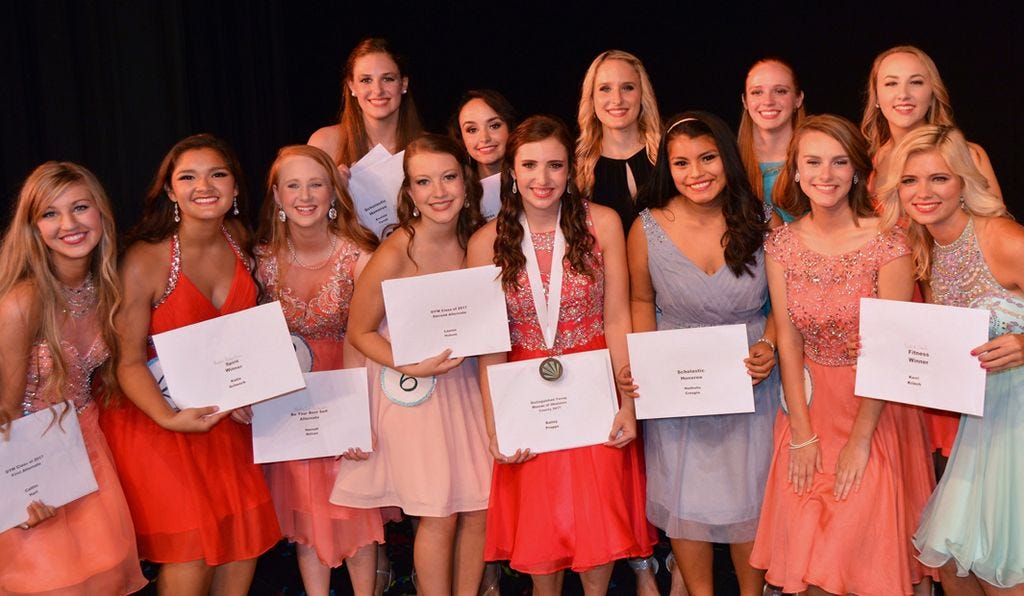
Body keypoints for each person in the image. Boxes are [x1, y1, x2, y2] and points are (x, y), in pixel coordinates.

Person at [469, 115, 655, 595]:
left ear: (571, 170)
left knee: (599, 523)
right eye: (530, 165)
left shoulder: (605, 223)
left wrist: (630, 403)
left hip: (595, 384)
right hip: (524, 391)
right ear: (511, 171)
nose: (542, 178)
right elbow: (489, 345)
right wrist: (496, 425)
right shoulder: (484, 242)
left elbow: (617, 318)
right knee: (541, 527)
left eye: (554, 165)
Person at [100, 134, 281, 595]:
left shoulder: (239, 240)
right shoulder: (144, 259)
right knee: (193, 557)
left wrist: (251, 390)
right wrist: (169, 418)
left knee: (242, 553)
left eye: (217, 173)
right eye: (188, 176)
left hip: (225, 422)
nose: (205, 185)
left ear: (236, 188)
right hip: (158, 422)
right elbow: (128, 362)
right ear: (170, 191)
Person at [749, 115, 922, 595]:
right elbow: (787, 338)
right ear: (796, 172)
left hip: (875, 407)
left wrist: (862, 438)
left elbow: (892, 348)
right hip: (808, 406)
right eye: (814, 162)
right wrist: (802, 433)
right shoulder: (780, 244)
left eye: (839, 162)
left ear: (856, 172)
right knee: (807, 564)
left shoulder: (889, 242)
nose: (826, 174)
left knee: (861, 556)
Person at [330, 134, 491, 596]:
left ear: (466, 181)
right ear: (409, 192)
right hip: (415, 398)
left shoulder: (477, 240)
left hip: (466, 389)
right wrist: (410, 365)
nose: (438, 192)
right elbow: (358, 332)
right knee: (438, 512)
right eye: (424, 181)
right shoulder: (398, 249)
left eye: (448, 178)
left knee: (478, 509)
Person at [629, 112, 779, 596]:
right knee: (686, 498)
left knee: (750, 498)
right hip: (678, 387)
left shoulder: (761, 220)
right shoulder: (647, 227)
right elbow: (639, 300)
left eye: (707, 157)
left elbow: (784, 301)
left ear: (726, 159)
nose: (696, 172)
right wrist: (644, 365)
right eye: (682, 162)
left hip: (751, 381)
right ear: (666, 169)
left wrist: (770, 345)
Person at [877, 125, 1023, 593]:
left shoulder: (1002, 237)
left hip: (1017, 420)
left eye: (939, 178)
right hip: (983, 421)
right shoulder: (927, 248)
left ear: (963, 181)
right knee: (956, 566)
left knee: (1005, 569)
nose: (924, 192)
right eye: (910, 180)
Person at [0, 162, 147, 595]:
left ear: (100, 212)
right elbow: (4, 411)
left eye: (80, 207)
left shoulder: (107, 289)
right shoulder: (22, 301)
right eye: (50, 214)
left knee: (103, 579)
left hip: (88, 451)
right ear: (33, 228)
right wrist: (15, 497)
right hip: (29, 464)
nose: (69, 224)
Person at [254, 145, 383, 596]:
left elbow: (372, 334)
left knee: (354, 507)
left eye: (316, 183)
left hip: (350, 386)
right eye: (293, 185)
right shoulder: (260, 261)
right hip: (288, 401)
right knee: (306, 508)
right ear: (277, 195)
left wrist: (362, 416)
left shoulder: (360, 255)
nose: (305, 195)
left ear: (334, 193)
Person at [861, 45, 1001, 199]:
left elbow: (997, 221)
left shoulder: (968, 155)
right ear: (876, 96)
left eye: (916, 82)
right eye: (891, 84)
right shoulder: (866, 161)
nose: (903, 94)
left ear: (932, 95)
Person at [309, 37, 423, 179]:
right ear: (352, 86)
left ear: (404, 84)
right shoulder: (325, 143)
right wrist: (335, 192)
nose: (378, 90)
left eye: (387, 79)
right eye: (366, 80)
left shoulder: (428, 147)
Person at [575, 50, 661, 233]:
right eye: (605, 89)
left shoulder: (668, 155)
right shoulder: (578, 169)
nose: (617, 99)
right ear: (591, 97)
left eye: (628, 87)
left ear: (642, 94)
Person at [737, 58, 805, 223]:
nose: (768, 101)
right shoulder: (729, 160)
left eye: (780, 91)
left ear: (798, 99)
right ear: (745, 101)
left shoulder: (818, 159)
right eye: (757, 92)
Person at [449, 89, 517, 180]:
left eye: (494, 126)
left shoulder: (534, 185)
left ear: (510, 128)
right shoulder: (457, 188)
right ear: (461, 138)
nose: (484, 138)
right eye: (472, 130)